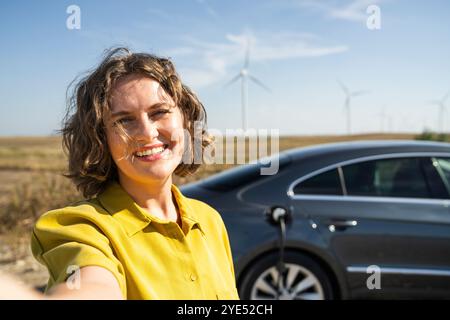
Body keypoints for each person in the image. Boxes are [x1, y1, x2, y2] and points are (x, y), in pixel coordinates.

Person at [1, 47, 239, 300]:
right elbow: (93, 287)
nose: (147, 133)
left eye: (159, 112)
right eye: (124, 120)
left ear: (186, 120)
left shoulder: (210, 220)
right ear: (100, 138)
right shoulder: (82, 228)